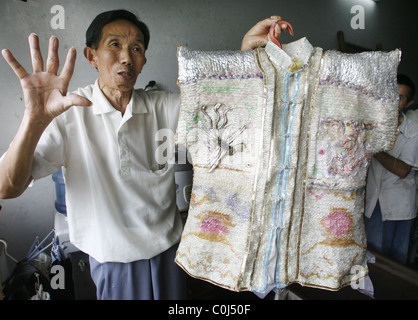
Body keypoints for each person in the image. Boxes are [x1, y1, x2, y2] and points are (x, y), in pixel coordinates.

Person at [0, 9, 288, 300]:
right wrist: (33, 120)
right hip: (114, 262)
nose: (126, 57)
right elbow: (7, 187)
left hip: (169, 253)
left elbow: (223, 108)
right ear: (91, 56)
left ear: (143, 61)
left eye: (136, 48)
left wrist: (245, 56)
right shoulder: (68, 114)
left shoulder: (162, 106)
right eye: (114, 45)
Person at [365, 74, 418, 265]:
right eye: (392, 93)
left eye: (401, 97)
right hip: (373, 204)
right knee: (370, 261)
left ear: (409, 102)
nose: (394, 100)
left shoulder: (414, 131)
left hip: (399, 207)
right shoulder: (370, 124)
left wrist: (371, 146)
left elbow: (403, 170)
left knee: (394, 266)